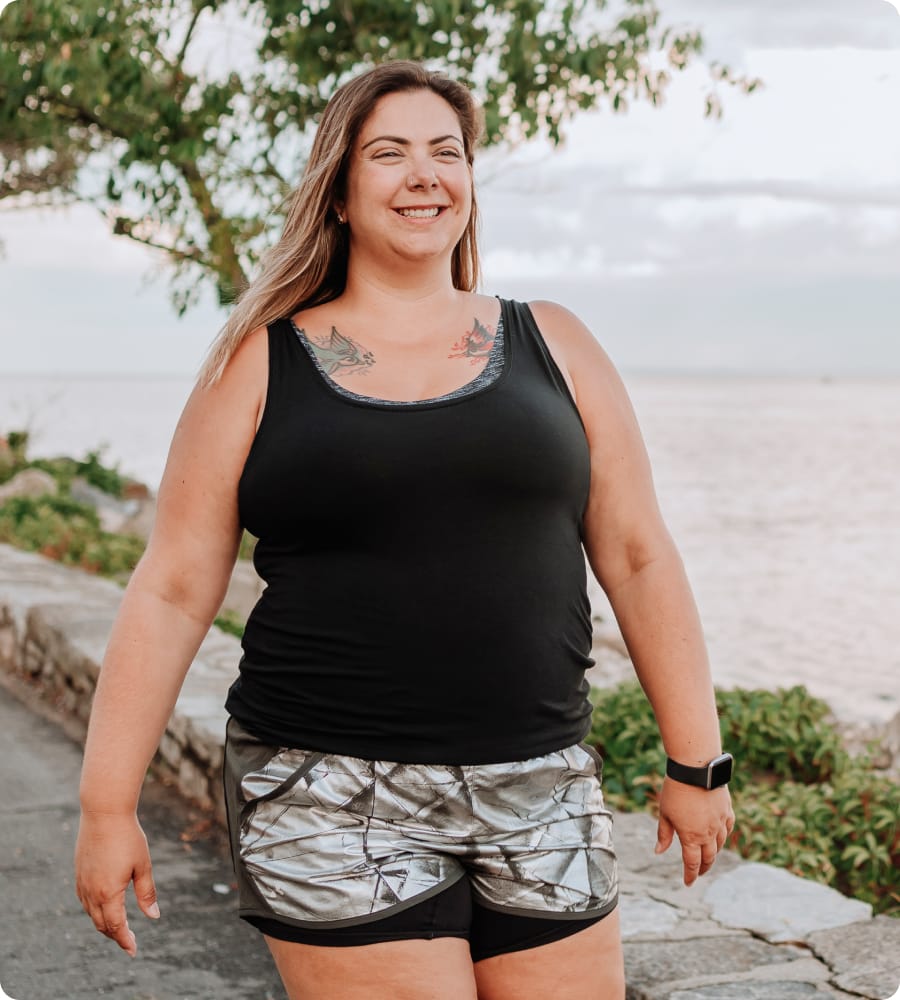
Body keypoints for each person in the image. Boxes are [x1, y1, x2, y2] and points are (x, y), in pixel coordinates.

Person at [75, 60, 735, 1000]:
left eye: (447, 152)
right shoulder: (258, 365)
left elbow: (637, 553)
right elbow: (174, 585)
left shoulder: (556, 341)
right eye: (390, 153)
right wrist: (107, 805)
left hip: (543, 786)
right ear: (340, 191)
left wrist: (696, 761)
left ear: (469, 181)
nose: (425, 174)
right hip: (325, 794)